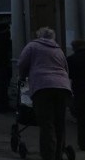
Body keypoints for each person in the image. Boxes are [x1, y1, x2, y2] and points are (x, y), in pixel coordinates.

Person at [18, 27, 72, 160]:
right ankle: (58, 154)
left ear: (39, 36)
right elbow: (66, 68)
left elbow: (21, 63)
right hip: (62, 87)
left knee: (47, 123)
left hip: (43, 87)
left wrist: (23, 77)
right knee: (59, 123)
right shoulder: (58, 49)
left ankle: (48, 155)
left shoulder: (32, 46)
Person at [67, 39, 85, 151]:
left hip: (80, 91)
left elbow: (69, 75)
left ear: (74, 48)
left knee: (82, 119)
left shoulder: (71, 59)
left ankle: (83, 143)